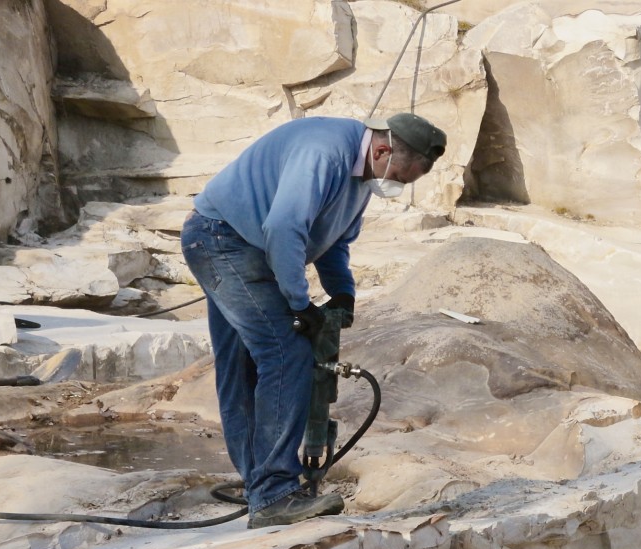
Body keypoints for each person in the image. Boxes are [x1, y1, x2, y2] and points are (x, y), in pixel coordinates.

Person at [181, 112, 446, 528]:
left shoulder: (362, 177)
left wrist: (342, 291)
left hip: (244, 245)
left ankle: (261, 486)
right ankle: (273, 494)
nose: (395, 186)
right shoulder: (324, 153)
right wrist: (299, 303)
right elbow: (285, 227)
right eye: (399, 175)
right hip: (222, 240)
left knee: (244, 365)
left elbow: (335, 239)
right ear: (381, 149)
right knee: (286, 354)